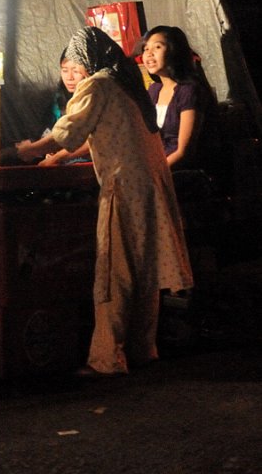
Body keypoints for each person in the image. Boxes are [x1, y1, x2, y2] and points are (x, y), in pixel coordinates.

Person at [16, 26, 193, 376]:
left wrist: (27, 150)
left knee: (115, 270)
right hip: (151, 185)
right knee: (145, 270)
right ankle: (144, 349)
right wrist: (56, 157)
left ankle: (107, 358)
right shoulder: (126, 84)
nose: (74, 72)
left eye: (77, 64)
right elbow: (94, 132)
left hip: (124, 185)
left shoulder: (98, 84)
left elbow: (67, 131)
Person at [140, 25, 216, 171]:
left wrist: (156, 175)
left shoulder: (189, 91)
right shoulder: (154, 90)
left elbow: (184, 152)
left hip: (182, 172)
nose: (149, 54)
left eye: (157, 47)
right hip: (158, 165)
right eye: (146, 49)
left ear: (174, 52)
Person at [40, 48, 91, 166]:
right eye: (65, 70)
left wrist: (57, 157)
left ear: (87, 71)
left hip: (87, 163)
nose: (70, 77)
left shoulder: (92, 96)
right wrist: (49, 151)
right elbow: (50, 130)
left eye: (76, 71)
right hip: (63, 161)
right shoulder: (59, 98)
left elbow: (91, 142)